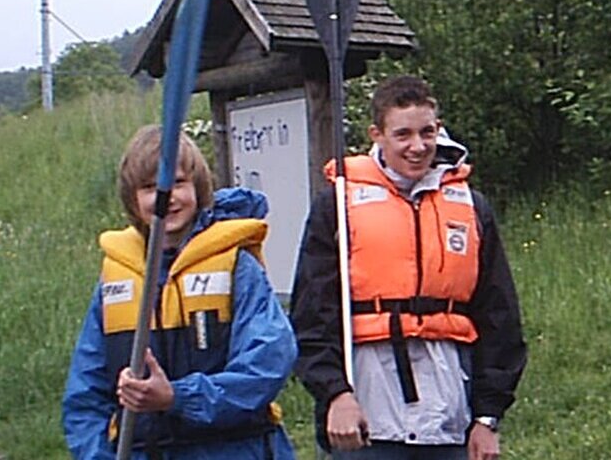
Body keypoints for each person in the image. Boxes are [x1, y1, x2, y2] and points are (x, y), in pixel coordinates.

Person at [292, 76, 528, 460]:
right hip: (368, 413)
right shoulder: (337, 204)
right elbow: (312, 313)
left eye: (427, 132)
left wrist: (487, 417)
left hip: (447, 415)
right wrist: (334, 392)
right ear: (377, 135)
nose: (417, 147)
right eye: (403, 134)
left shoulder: (471, 207)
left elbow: (499, 317)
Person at [62, 125, 297, 459]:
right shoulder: (115, 280)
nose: (166, 196)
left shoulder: (236, 265)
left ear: (197, 188)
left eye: (178, 183)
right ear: (133, 199)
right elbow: (85, 393)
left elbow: (266, 366)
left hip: (234, 449)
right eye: (150, 188)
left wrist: (177, 397)